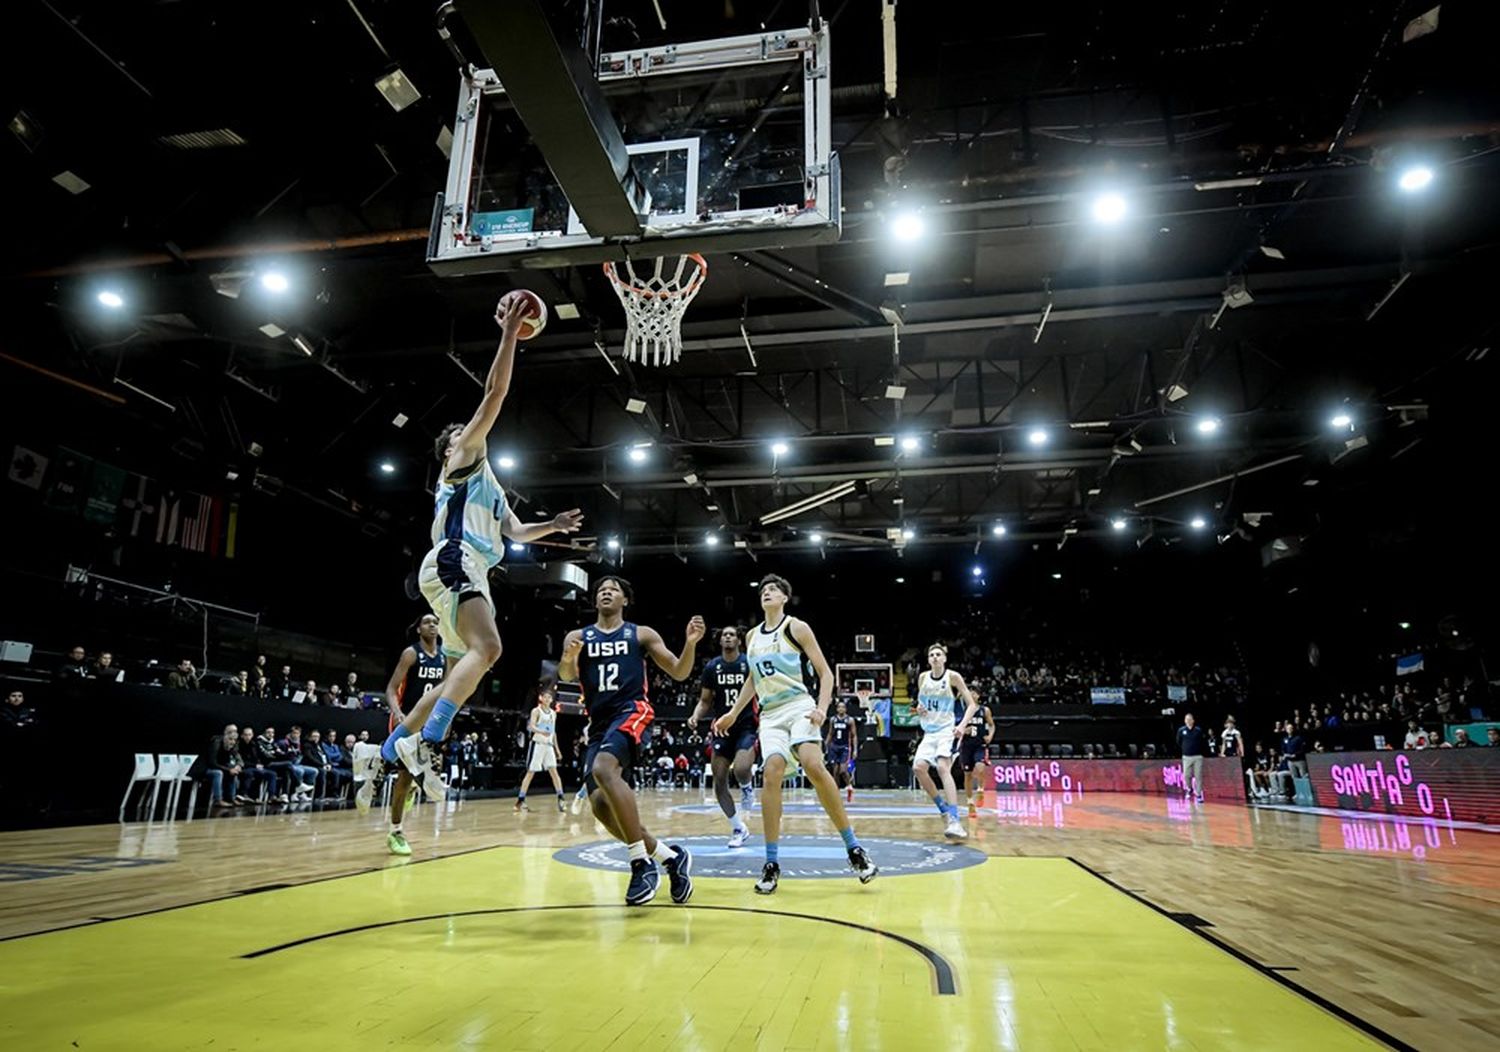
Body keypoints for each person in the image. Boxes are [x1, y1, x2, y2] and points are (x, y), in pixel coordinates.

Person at [388, 297, 583, 796]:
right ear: (451, 450)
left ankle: (391, 749)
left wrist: (553, 526)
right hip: (457, 557)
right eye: (459, 435)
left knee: (458, 673)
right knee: (490, 647)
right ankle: (427, 743)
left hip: (462, 567)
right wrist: (510, 334)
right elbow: (495, 394)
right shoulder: (461, 462)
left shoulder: (490, 486)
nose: (469, 434)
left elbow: (515, 533)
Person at [712, 574, 877, 895]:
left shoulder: (796, 628)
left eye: (773, 590)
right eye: (762, 590)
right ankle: (771, 863)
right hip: (771, 714)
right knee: (771, 772)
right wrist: (732, 712)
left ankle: (854, 849)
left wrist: (822, 708)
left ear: (785, 598)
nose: (767, 593)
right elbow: (754, 680)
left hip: (800, 705)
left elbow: (826, 673)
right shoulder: (752, 638)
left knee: (812, 763)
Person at [557, 575, 702, 905]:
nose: (606, 592)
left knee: (604, 769)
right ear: (595, 601)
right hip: (598, 723)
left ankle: (640, 863)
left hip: (631, 711)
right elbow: (566, 676)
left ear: (625, 600)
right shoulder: (579, 636)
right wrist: (568, 659)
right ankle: (670, 858)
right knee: (599, 806)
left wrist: (690, 644)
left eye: (614, 590)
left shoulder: (641, 634)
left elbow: (679, 671)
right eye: (601, 590)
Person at [689, 626, 755, 847]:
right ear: (720, 641)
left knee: (742, 769)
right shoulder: (712, 667)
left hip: (745, 725)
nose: (728, 637)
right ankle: (738, 827)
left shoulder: (748, 663)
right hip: (721, 728)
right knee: (719, 781)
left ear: (739, 640)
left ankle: (747, 787)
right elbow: (705, 701)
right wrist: (696, 716)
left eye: (732, 634)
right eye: (724, 635)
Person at [913, 644, 980, 840]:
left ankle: (955, 820)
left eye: (938, 654)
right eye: (931, 654)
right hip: (929, 732)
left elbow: (972, 705)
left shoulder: (953, 677)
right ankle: (943, 808)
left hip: (946, 731)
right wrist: (920, 709)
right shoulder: (922, 678)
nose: (934, 657)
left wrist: (961, 726)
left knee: (943, 768)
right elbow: (921, 702)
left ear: (944, 659)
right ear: (928, 660)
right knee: (918, 768)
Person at [516, 687, 566, 812]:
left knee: (554, 772)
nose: (547, 699)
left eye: (549, 697)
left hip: (548, 746)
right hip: (537, 744)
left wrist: (557, 749)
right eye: (545, 697)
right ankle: (520, 800)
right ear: (541, 698)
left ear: (552, 699)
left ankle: (561, 798)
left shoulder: (553, 713)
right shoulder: (536, 711)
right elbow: (531, 726)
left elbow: (553, 732)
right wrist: (541, 731)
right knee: (530, 772)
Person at [958, 692, 995, 815]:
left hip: (980, 745)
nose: (971, 695)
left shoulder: (984, 710)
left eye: (974, 693)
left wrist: (990, 735)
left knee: (980, 767)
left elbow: (991, 725)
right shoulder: (961, 710)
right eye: (969, 693)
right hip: (966, 746)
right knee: (967, 775)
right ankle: (970, 804)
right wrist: (963, 730)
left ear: (978, 695)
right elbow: (954, 727)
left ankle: (980, 790)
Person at [823, 700, 858, 803]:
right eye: (839, 707)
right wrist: (825, 745)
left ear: (846, 709)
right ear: (837, 709)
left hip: (844, 747)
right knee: (835, 771)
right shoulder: (833, 720)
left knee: (843, 770)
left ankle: (849, 786)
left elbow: (854, 735)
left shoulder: (850, 720)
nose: (841, 709)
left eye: (843, 707)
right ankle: (835, 792)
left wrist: (855, 749)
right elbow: (830, 733)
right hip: (834, 746)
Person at [1176, 713, 1207, 802]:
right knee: (1186, 775)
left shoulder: (1198, 730)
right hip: (1186, 757)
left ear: (1193, 721)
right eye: (1186, 719)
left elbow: (1202, 741)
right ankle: (1189, 789)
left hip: (1197, 757)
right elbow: (1178, 742)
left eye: (1190, 719)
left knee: (1198, 776)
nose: (1188, 721)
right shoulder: (1181, 730)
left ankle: (1198, 794)